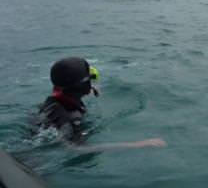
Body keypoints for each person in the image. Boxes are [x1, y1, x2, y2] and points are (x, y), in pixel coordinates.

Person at [35, 57, 165, 150]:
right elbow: (77, 148)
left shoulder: (53, 102)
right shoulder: (72, 118)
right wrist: (136, 145)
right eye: (90, 80)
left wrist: (89, 89)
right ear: (82, 86)